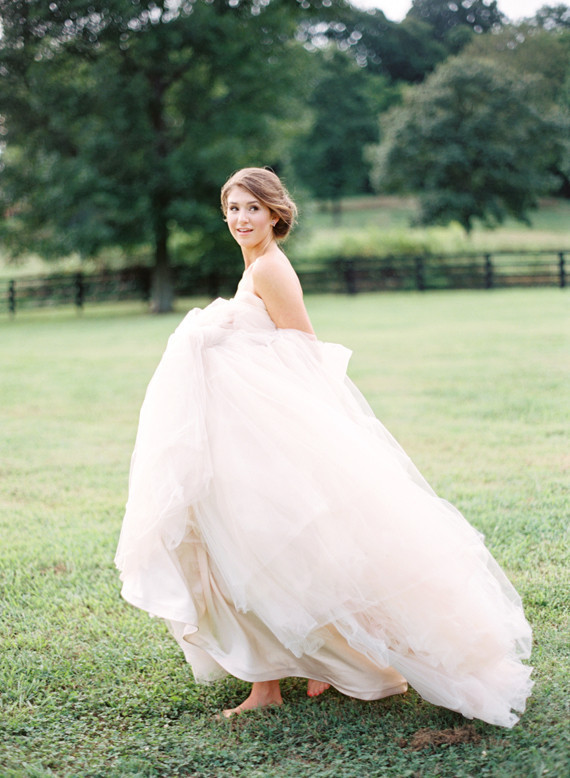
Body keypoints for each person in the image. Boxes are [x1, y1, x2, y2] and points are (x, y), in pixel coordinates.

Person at [115, 167, 533, 726]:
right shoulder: (255, 266)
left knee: (264, 546)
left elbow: (303, 349)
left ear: (275, 215)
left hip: (269, 429)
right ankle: (307, 666)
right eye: (234, 208)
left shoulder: (271, 268)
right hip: (244, 428)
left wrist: (228, 345)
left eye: (253, 208)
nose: (242, 218)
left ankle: (286, 679)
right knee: (256, 545)